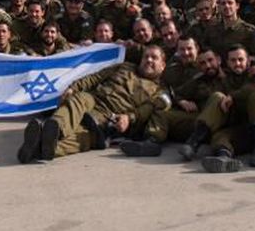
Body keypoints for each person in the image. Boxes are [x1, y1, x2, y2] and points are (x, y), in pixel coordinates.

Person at [17, 45, 166, 163]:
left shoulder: (158, 91)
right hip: (93, 100)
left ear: (163, 65)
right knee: (79, 98)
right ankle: (56, 127)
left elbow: (145, 111)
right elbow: (94, 78)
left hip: (109, 119)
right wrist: (73, 88)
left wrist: (129, 118)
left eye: (154, 58)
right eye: (146, 56)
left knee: (82, 137)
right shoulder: (124, 67)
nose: (149, 60)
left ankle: (36, 149)